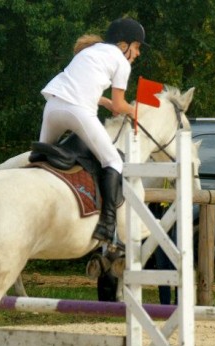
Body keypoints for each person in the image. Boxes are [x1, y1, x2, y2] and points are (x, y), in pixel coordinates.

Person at [38, 17, 148, 243]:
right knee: (113, 161)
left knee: (41, 157)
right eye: (136, 47)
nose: (138, 53)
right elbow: (120, 105)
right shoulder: (122, 63)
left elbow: (81, 88)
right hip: (78, 112)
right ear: (123, 44)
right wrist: (134, 110)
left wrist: (106, 103)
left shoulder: (90, 51)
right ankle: (107, 224)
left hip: (52, 109)